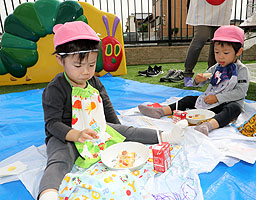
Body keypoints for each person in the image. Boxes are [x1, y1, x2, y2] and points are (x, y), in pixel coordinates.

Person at [38, 21, 187, 200]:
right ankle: (48, 193)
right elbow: (52, 124)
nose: (86, 71)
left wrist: (117, 135)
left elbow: (107, 108)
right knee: (59, 158)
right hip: (66, 135)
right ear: (60, 59)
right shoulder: (56, 88)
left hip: (95, 129)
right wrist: (76, 135)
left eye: (91, 65)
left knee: (127, 131)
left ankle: (165, 136)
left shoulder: (94, 82)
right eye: (78, 66)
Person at [138, 25, 249, 136]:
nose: (220, 57)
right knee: (188, 99)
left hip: (227, 104)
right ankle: (160, 111)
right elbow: (202, 82)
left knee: (234, 108)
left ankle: (207, 126)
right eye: (216, 52)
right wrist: (198, 80)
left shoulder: (241, 70)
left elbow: (240, 92)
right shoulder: (216, 67)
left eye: (225, 53)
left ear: (238, 52)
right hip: (211, 103)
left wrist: (217, 98)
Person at [184, 0, 234, 87]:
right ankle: (188, 73)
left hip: (222, 6)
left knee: (217, 41)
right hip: (202, 6)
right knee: (200, 38)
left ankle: (212, 73)